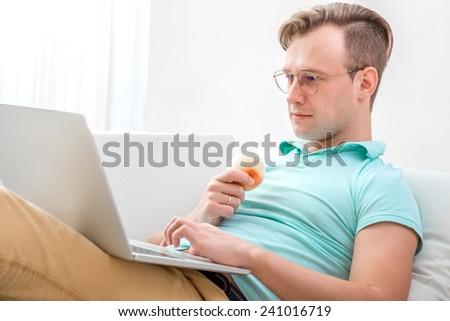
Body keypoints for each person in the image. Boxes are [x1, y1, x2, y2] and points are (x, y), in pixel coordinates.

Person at [0, 2, 422, 301]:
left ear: (364, 83)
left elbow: (379, 303)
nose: (292, 95)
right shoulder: (269, 163)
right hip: (168, 277)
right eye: (288, 77)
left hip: (213, 298)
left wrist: (249, 257)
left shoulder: (378, 183)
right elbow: (156, 246)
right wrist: (202, 217)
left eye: (310, 78)